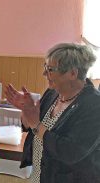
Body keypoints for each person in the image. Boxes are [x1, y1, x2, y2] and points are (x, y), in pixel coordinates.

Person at [5, 43, 100, 183]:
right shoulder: (52, 93)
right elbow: (32, 127)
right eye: (45, 67)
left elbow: (70, 151)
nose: (44, 74)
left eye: (50, 69)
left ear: (73, 73)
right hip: (42, 173)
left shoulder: (93, 105)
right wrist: (27, 111)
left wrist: (36, 124)